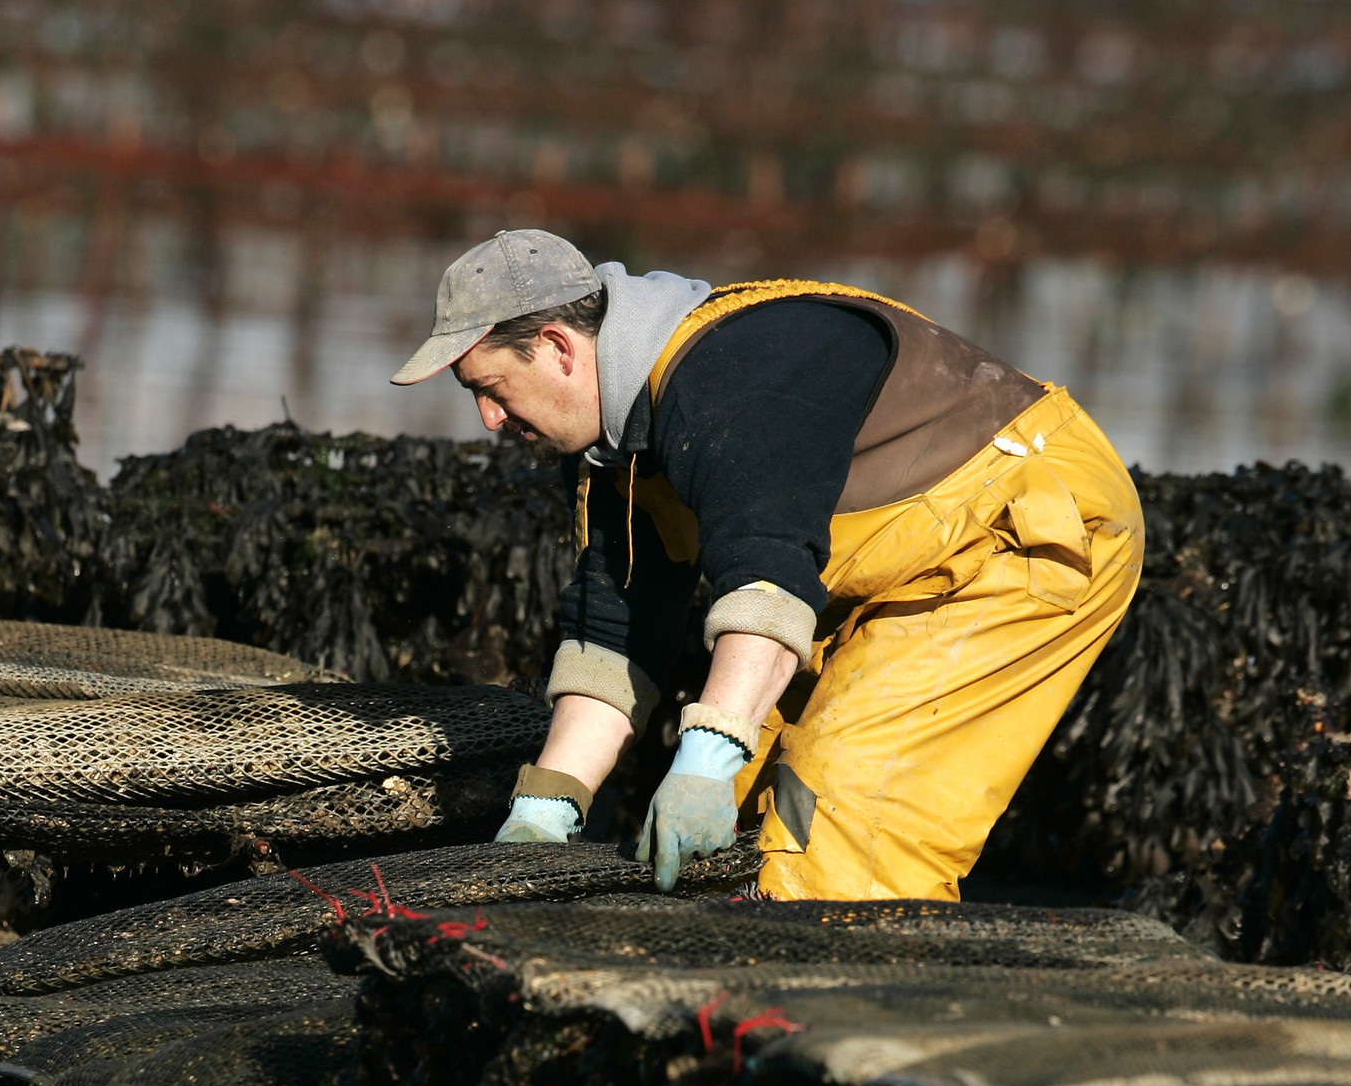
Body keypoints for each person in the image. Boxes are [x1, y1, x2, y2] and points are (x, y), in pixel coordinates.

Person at [392, 229, 1143, 899]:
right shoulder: (606, 449)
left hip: (1021, 528)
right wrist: (547, 807)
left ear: (557, 348)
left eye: (489, 389)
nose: (488, 419)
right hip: (893, 568)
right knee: (756, 819)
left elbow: (767, 583)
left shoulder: (726, 383)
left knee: (840, 822)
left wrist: (703, 762)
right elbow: (617, 635)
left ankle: (857, 1031)